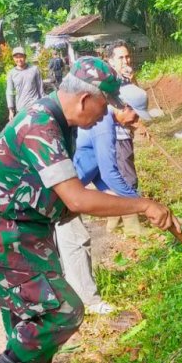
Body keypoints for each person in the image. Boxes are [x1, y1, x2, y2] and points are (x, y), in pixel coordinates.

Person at [0, 57, 178, 363]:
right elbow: (77, 197)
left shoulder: (61, 123)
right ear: (83, 99)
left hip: (28, 234)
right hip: (2, 237)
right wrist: (142, 205)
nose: (106, 114)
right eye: (104, 105)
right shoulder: (40, 125)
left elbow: (70, 196)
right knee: (63, 311)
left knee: (30, 330)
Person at [56, 83, 154, 314]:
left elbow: (99, 171)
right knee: (76, 241)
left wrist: (114, 195)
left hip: (71, 189)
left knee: (64, 244)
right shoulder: (104, 126)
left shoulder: (106, 123)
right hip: (64, 193)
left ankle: (66, 298)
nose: (135, 121)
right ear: (124, 107)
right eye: (135, 114)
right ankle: (88, 302)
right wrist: (140, 203)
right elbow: (110, 171)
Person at [6, 45, 44, 121]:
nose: (19, 59)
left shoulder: (34, 69)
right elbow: (10, 92)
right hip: (21, 109)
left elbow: (40, 88)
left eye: (21, 57)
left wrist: (44, 104)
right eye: (16, 57)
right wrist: (11, 110)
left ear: (25, 57)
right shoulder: (11, 73)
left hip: (35, 107)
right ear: (13, 58)